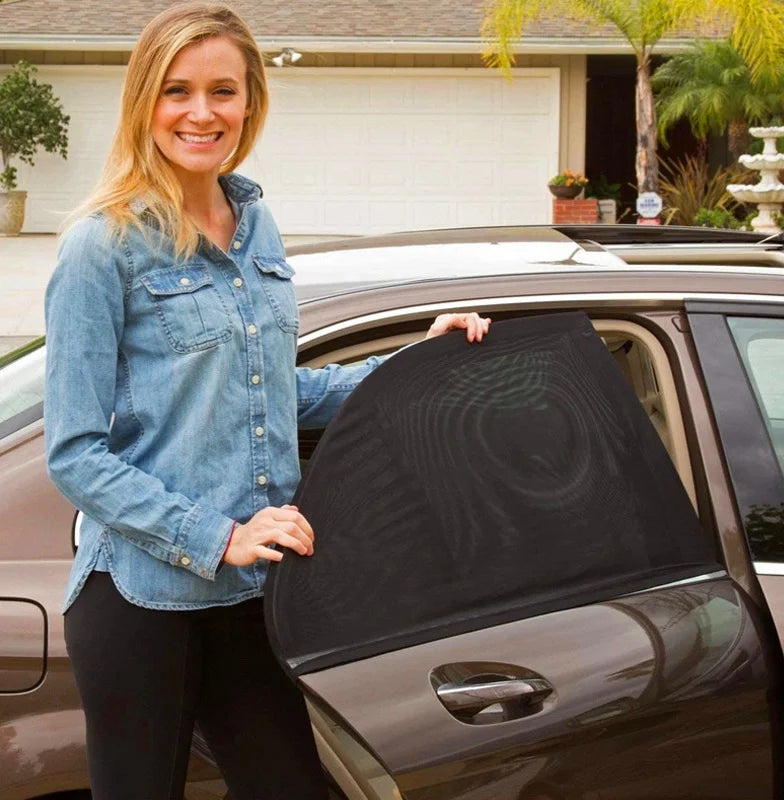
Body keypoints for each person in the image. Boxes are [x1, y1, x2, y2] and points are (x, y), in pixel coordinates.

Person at [43, 4, 490, 799]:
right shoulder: (101, 245)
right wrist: (220, 536)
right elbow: (75, 454)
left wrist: (418, 362)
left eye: (224, 90)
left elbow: (283, 393)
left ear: (251, 103)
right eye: (178, 90)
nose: (202, 112)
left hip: (253, 597)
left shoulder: (257, 226)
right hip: (143, 597)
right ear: (145, 99)